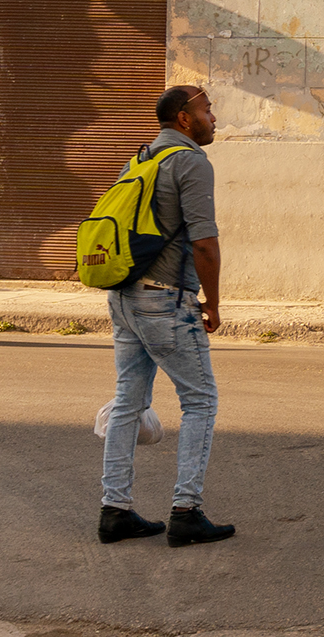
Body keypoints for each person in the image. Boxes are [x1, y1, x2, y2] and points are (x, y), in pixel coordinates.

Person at [98, 85, 235, 549]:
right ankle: (186, 511)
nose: (214, 117)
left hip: (123, 298)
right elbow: (204, 242)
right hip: (165, 301)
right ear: (183, 118)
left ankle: (114, 510)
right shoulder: (191, 161)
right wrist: (213, 303)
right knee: (201, 401)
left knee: (127, 402)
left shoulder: (138, 160)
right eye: (206, 109)